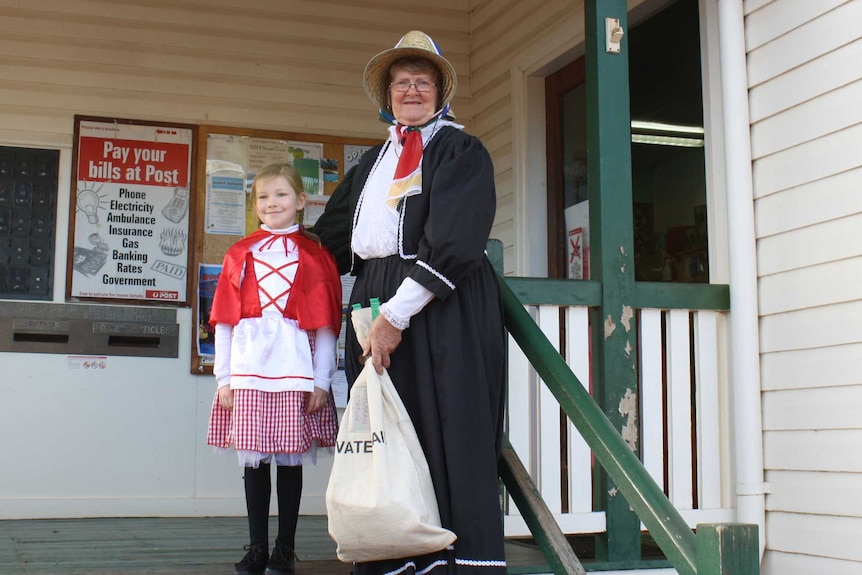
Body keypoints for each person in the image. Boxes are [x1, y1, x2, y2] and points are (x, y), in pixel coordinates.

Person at [313, 30, 507, 575]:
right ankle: (392, 551)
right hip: (374, 298)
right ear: (387, 96)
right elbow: (330, 238)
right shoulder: (374, 161)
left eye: (423, 82)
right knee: (387, 425)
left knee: (447, 421)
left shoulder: (460, 151)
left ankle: (454, 557)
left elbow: (456, 239)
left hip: (442, 303)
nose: (412, 91)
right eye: (402, 83)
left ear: (441, 92)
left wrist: (396, 315)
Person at [206, 162, 342, 575]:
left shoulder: (316, 257)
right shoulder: (239, 254)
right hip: (249, 372)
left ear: (301, 201)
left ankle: (285, 548)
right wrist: (224, 377)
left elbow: (325, 326)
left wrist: (322, 380)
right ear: (255, 204)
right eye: (263, 197)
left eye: (281, 195)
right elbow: (226, 322)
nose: (272, 203)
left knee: (289, 461)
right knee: (254, 462)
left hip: (296, 373)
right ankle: (257, 547)